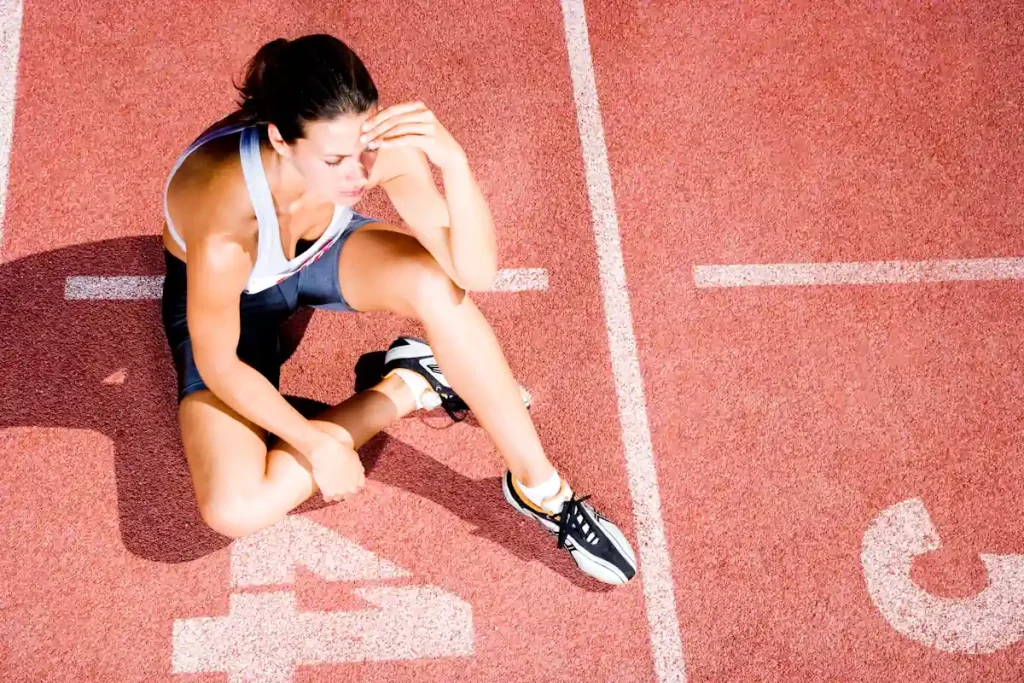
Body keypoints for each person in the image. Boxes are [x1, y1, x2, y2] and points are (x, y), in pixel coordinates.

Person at [160, 33, 637, 584]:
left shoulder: (377, 153)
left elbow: (473, 272)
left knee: (437, 284)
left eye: (363, 146)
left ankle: (541, 489)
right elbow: (220, 364)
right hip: (233, 302)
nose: (358, 175)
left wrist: (452, 162)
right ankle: (407, 384)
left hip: (316, 257)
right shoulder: (225, 221)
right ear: (281, 142)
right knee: (233, 508)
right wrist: (317, 442)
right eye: (334, 159)